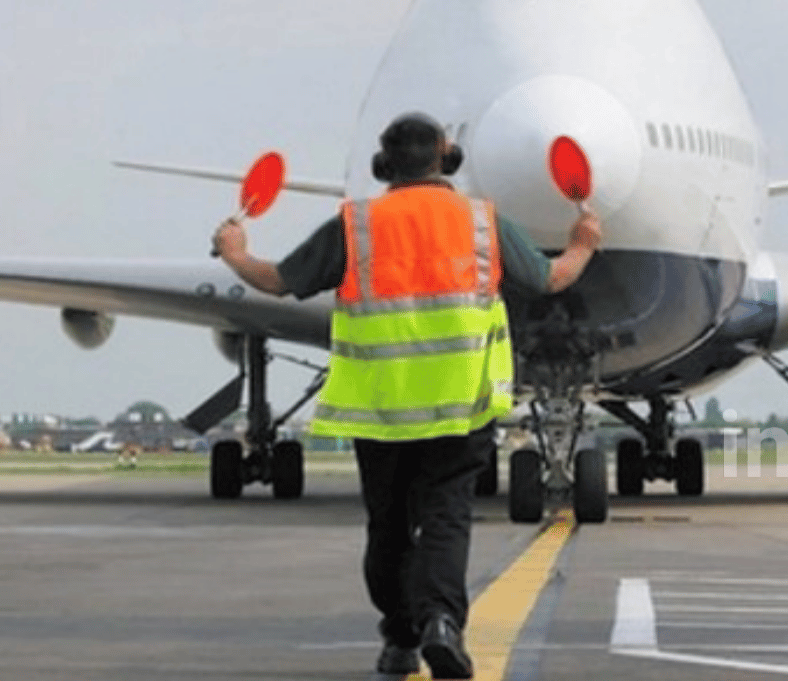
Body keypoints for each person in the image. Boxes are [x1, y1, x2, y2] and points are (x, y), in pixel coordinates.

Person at [212, 112, 601, 679]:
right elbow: (550, 280)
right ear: (447, 158)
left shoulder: (357, 224)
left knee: (389, 527)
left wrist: (235, 251)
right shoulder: (483, 223)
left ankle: (400, 636)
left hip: (381, 408)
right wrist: (583, 244)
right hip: (458, 402)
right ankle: (443, 622)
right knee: (446, 518)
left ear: (382, 165)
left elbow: (279, 282)